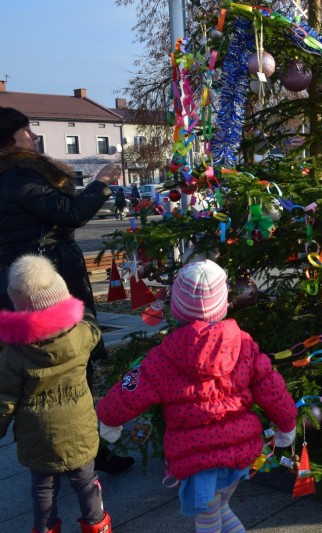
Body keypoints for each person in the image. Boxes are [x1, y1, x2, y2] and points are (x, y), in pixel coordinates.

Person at [96, 259, 298, 533]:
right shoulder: (244, 344)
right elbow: (271, 387)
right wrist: (287, 424)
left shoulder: (163, 357)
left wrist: (108, 418)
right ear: (223, 304)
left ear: (177, 308)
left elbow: (130, 391)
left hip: (197, 460)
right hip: (240, 450)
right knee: (222, 508)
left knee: (208, 522)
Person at [0, 106, 134, 475]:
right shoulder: (17, 176)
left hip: (29, 279)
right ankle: (79, 454)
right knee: (70, 361)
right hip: (46, 283)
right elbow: (69, 213)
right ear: (11, 137)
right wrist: (101, 182)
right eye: (27, 130)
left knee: (44, 368)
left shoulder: (15, 175)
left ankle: (70, 451)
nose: (33, 136)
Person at [0, 255, 111, 533]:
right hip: (80, 428)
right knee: (86, 481)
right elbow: (92, 327)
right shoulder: (81, 334)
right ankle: (97, 525)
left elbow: (5, 398)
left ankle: (45, 528)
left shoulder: (14, 353)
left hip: (38, 436)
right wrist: (82, 311)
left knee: (43, 487)